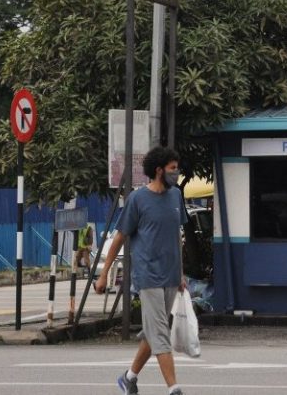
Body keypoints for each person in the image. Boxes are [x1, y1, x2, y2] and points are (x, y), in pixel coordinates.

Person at [95, 147, 188, 395]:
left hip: (170, 276)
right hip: (148, 276)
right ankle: (174, 389)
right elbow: (119, 237)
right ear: (158, 170)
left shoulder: (176, 196)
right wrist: (104, 273)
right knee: (160, 332)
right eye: (172, 169)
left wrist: (180, 273)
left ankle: (129, 377)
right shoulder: (138, 200)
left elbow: (177, 237)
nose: (176, 173)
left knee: (153, 331)